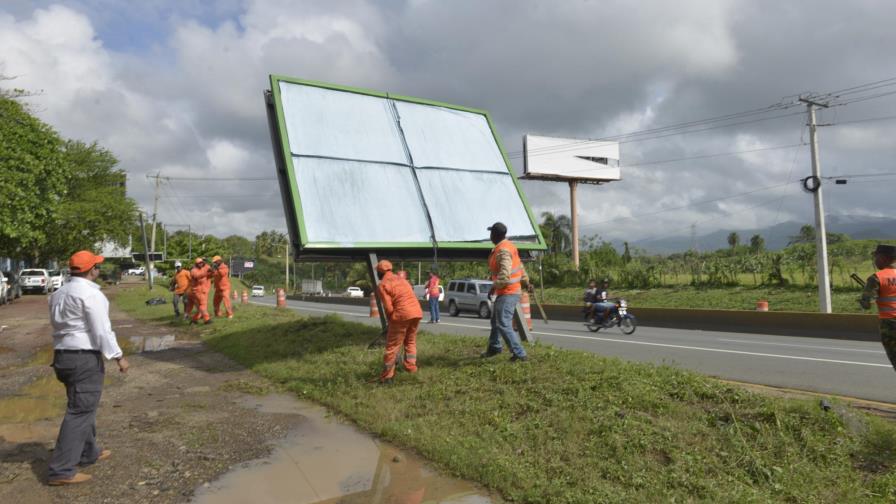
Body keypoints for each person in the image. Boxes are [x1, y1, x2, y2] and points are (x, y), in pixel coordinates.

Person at [47, 250, 129, 486]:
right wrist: (118, 356)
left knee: (82, 405)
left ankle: (88, 451)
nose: (99, 270)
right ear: (92, 270)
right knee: (80, 411)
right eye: (97, 266)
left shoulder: (58, 293)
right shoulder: (91, 294)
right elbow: (102, 330)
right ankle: (62, 470)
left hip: (63, 355)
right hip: (83, 357)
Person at [481, 222, 530, 362]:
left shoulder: (503, 250)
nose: (490, 236)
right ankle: (494, 347)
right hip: (508, 291)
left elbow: (505, 274)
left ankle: (520, 354)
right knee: (496, 321)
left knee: (503, 323)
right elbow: (520, 266)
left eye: (491, 233)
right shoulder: (509, 246)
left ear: (494, 235)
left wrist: (494, 286)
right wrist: (526, 282)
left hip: (508, 291)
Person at [376, 260, 422, 384]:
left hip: (402, 314)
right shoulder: (402, 280)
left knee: (392, 346)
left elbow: (388, 307)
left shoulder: (383, 284)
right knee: (410, 341)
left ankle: (387, 376)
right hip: (416, 312)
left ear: (380, 272)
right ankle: (411, 368)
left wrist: (391, 321)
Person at [860, 244, 896, 370]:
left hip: (890, 325)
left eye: (876, 257)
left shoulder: (877, 277)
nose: (875, 260)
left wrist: (863, 299)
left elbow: (867, 304)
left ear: (884, 258)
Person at [189, 257, 214, 324]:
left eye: (202, 262)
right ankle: (207, 319)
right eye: (199, 263)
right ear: (196, 264)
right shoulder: (193, 270)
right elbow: (197, 276)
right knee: (203, 305)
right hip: (197, 291)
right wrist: (207, 272)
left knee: (202, 306)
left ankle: (194, 320)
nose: (201, 264)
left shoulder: (203, 269)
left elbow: (209, 276)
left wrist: (212, 272)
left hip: (203, 290)